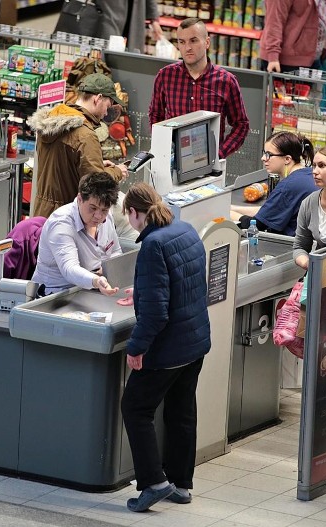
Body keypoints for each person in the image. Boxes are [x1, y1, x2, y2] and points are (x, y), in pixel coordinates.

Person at [119, 183, 210, 512]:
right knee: (181, 411)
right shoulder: (185, 229)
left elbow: (157, 313)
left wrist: (136, 347)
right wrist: (141, 293)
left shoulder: (153, 245)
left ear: (134, 212)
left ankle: (153, 482)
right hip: (195, 342)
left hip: (168, 348)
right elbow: (181, 285)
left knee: (135, 408)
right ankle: (181, 483)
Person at [28, 73, 128, 219]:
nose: (107, 112)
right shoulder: (85, 135)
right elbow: (96, 185)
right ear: (98, 98)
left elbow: (62, 168)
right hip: (67, 217)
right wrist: (117, 171)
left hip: (42, 212)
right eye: (108, 105)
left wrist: (99, 165)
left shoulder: (51, 123)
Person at [148, 18, 250, 159]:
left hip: (210, 163)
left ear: (207, 42)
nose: (187, 47)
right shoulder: (165, 76)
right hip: (173, 160)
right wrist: (163, 148)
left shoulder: (226, 81)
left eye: (193, 40)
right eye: (182, 42)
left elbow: (241, 124)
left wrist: (219, 154)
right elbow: (155, 115)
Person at [31, 172, 123, 296]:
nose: (98, 216)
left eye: (104, 210)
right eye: (93, 208)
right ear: (80, 199)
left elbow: (116, 251)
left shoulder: (107, 218)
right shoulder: (61, 224)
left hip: (92, 290)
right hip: (57, 294)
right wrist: (96, 280)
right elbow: (69, 269)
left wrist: (107, 271)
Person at [231, 131, 318, 236]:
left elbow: (256, 226)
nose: (263, 158)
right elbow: (268, 211)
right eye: (264, 153)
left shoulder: (288, 186)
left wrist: (226, 213)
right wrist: (232, 208)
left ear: (287, 159)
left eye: (269, 154)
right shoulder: (308, 173)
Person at [260, 0, 326, 73]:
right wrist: (273, 56)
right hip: (287, 62)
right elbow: (274, 21)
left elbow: (323, 9)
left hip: (314, 57)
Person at [97, 0, 164, 53]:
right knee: (104, 54)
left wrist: (154, 19)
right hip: (106, 11)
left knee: (131, 56)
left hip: (133, 15)